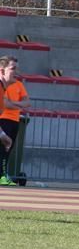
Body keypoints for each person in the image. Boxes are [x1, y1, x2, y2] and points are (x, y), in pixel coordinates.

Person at [0, 56, 29, 186]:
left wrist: (2, 134)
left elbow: (27, 103)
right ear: (2, 71)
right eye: (13, 69)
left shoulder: (3, 88)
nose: (17, 72)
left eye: (18, 69)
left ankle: (2, 176)